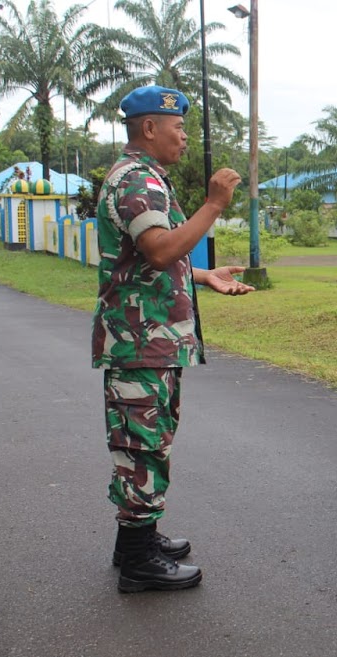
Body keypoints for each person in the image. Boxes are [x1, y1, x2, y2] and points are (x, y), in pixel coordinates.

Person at [92, 86, 254, 593]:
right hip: (141, 342)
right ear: (148, 128)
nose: (185, 137)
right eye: (177, 127)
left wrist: (204, 275)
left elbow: (150, 257)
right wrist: (213, 204)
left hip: (150, 339)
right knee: (142, 446)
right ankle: (140, 565)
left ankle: (136, 542)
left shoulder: (145, 178)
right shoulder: (137, 180)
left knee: (149, 442)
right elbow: (160, 251)